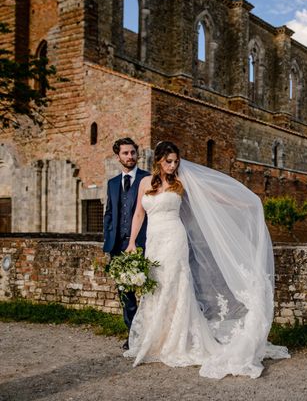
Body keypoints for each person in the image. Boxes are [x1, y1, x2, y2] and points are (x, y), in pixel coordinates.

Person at [123, 141, 288, 379]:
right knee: (156, 285)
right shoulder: (144, 183)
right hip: (153, 241)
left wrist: (244, 203)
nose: (172, 165)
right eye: (168, 161)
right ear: (158, 160)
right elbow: (139, 212)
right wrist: (131, 243)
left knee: (175, 285)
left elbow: (211, 196)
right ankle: (157, 338)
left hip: (174, 238)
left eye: (176, 161)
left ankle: (179, 340)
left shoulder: (181, 182)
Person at [103, 137, 149, 349]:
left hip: (143, 245)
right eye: (125, 153)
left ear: (137, 154)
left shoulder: (148, 179)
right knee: (125, 293)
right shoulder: (112, 183)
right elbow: (109, 214)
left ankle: (151, 334)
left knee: (149, 290)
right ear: (118, 156)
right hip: (118, 246)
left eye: (133, 152)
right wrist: (108, 242)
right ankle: (133, 335)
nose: (130, 157)